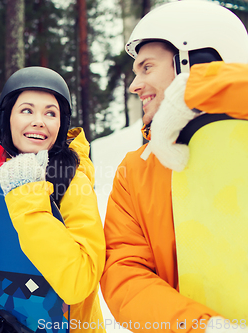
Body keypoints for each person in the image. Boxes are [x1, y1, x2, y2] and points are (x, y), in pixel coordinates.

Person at [100, 1, 248, 332]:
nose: (134, 85)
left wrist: (196, 88)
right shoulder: (134, 171)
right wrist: (200, 327)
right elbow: (124, 273)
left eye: (147, 68)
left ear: (193, 61)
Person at [0, 66, 106, 332]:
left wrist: (28, 197)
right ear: (7, 119)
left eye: (50, 113)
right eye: (27, 110)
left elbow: (79, 282)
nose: (39, 121)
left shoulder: (74, 183)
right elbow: (3, 277)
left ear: (61, 125)